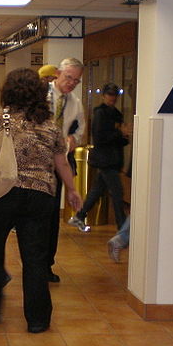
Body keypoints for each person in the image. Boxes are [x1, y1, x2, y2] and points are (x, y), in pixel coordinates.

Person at [0, 68, 82, 333]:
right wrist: (72, 190)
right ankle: (38, 320)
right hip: (40, 196)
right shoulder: (49, 123)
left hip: (2, 192)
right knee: (35, 257)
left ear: (9, 91)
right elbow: (60, 161)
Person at [68, 83, 128, 233]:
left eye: (114, 95)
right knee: (117, 192)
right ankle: (122, 227)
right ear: (104, 96)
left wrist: (123, 135)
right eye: (109, 95)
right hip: (105, 159)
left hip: (113, 159)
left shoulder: (117, 114)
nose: (111, 98)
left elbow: (121, 139)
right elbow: (99, 137)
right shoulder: (100, 113)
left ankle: (79, 216)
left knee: (97, 190)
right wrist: (119, 133)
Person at [45, 57, 85, 282]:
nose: (71, 83)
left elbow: (79, 131)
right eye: (68, 77)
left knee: (52, 216)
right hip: (33, 165)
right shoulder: (41, 95)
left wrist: (70, 141)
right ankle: (34, 263)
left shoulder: (75, 103)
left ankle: (47, 264)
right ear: (58, 73)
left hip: (58, 166)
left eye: (76, 81)